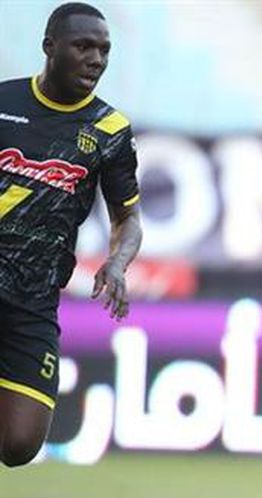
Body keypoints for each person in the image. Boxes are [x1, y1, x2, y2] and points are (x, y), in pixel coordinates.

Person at [0, 2, 143, 468]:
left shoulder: (109, 130)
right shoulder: (4, 103)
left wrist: (117, 262)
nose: (95, 59)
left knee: (20, 444)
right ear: (49, 47)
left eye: (104, 50)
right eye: (83, 46)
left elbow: (128, 218)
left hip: (34, 299)